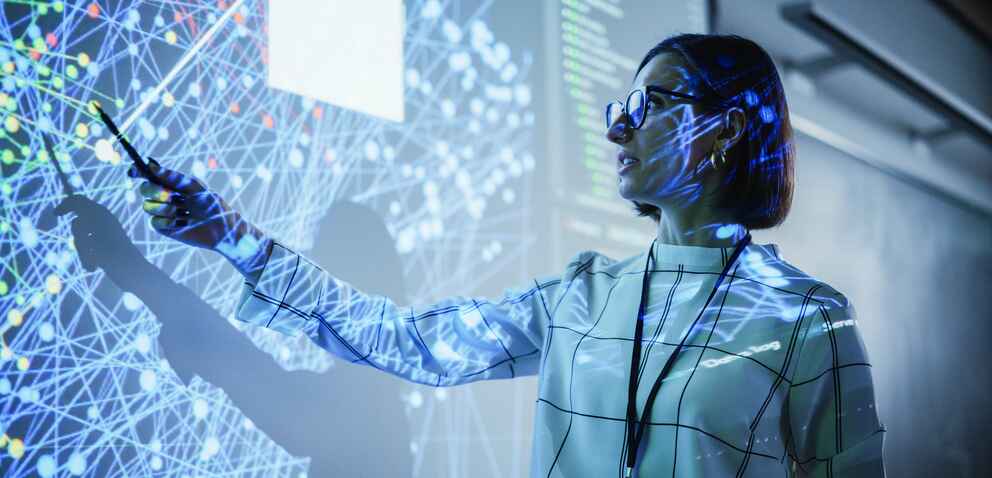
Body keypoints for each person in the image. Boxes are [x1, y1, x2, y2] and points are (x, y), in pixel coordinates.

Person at [129, 34, 886, 477]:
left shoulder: (806, 320)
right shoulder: (583, 297)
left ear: (723, 133)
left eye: (646, 107)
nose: (617, 129)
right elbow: (408, 344)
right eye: (618, 109)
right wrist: (231, 236)